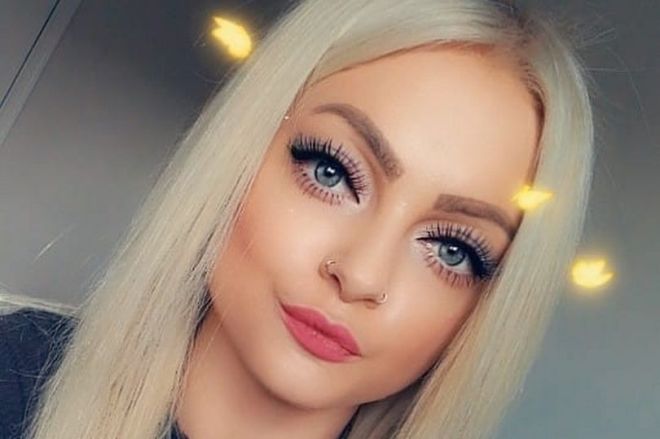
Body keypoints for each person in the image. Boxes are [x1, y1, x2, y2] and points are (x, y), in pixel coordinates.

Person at [0, 0, 594, 438]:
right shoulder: (15, 378)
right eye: (332, 171)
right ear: (239, 153)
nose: (360, 275)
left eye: (451, 250)